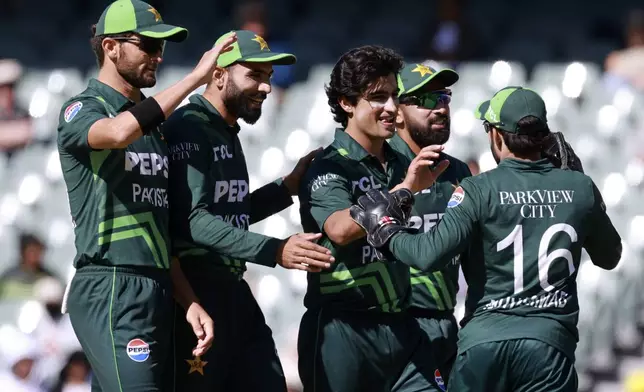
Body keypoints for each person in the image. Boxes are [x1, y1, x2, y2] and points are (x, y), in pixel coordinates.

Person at [350, 86, 623, 392]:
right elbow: (609, 257)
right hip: (548, 345)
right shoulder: (579, 187)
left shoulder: (477, 189)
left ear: (496, 135)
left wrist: (386, 229)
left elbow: (427, 255)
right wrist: (585, 196)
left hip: (484, 346)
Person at [56, 0, 236, 390]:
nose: (157, 56)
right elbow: (118, 133)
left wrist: (188, 300)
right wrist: (195, 79)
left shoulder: (152, 129)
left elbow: (154, 228)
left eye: (162, 48)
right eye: (148, 46)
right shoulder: (82, 109)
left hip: (154, 286)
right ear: (111, 47)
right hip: (111, 282)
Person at [162, 30, 335, 391]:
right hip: (197, 294)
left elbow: (230, 213)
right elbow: (193, 222)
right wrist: (275, 250)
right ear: (219, 74)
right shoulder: (188, 128)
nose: (266, 88)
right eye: (254, 75)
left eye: (269, 77)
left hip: (234, 291)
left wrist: (285, 188)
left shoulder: (225, 129)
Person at [297, 45, 448, 392]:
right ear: (346, 103)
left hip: (403, 327)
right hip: (343, 330)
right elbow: (339, 229)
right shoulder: (329, 166)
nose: (392, 108)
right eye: (378, 98)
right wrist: (405, 190)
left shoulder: (399, 159)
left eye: (395, 96)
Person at [390, 62, 471, 390]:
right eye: (424, 100)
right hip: (393, 326)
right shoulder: (377, 169)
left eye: (443, 97)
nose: (439, 107)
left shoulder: (458, 172)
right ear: (396, 113)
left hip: (445, 326)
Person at [0, 233, 60, 300]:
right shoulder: (8, 277)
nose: (36, 255)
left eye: (39, 251)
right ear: (23, 252)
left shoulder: (48, 277)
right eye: (32, 251)